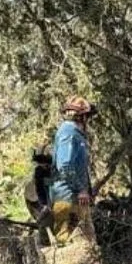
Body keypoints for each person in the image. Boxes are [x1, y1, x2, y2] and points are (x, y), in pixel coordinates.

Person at [50, 96, 97, 244]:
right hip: (68, 198)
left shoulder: (75, 135)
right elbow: (65, 165)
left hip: (76, 198)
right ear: (82, 116)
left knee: (88, 245)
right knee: (69, 246)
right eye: (87, 116)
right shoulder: (68, 133)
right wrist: (81, 189)